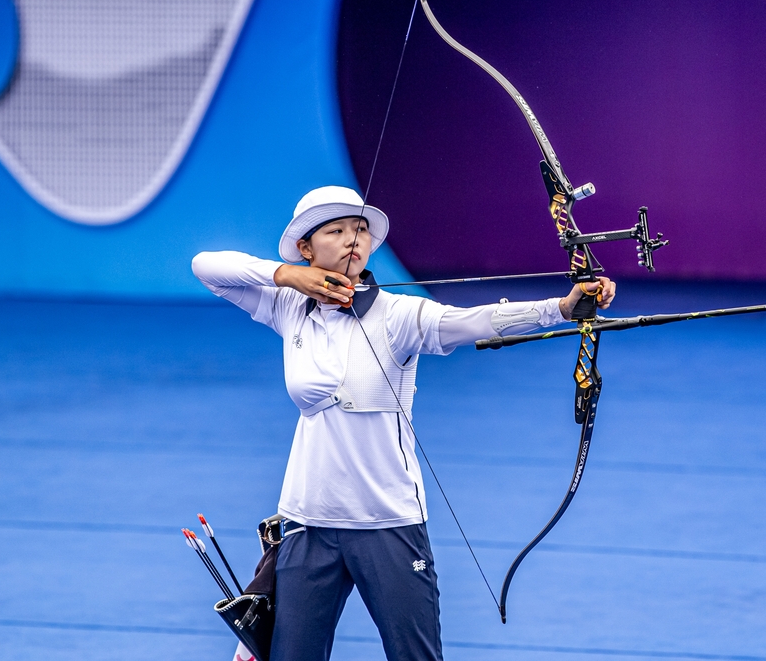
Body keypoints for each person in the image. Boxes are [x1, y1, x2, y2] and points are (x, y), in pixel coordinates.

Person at [191, 185, 615, 661]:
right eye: (336, 230)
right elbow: (206, 267)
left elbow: (475, 321)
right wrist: (288, 276)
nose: (353, 239)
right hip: (307, 519)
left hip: (387, 521)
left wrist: (558, 308)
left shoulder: (399, 314)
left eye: (361, 230)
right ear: (306, 248)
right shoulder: (289, 307)